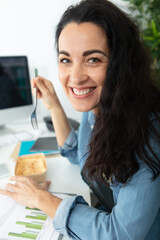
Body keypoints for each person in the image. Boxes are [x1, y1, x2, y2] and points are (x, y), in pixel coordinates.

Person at [0, 0, 160, 239]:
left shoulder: (147, 134)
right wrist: (54, 106)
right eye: (66, 59)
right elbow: (80, 155)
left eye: (92, 59)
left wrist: (42, 200)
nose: (75, 77)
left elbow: (121, 234)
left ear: (121, 64)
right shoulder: (97, 108)